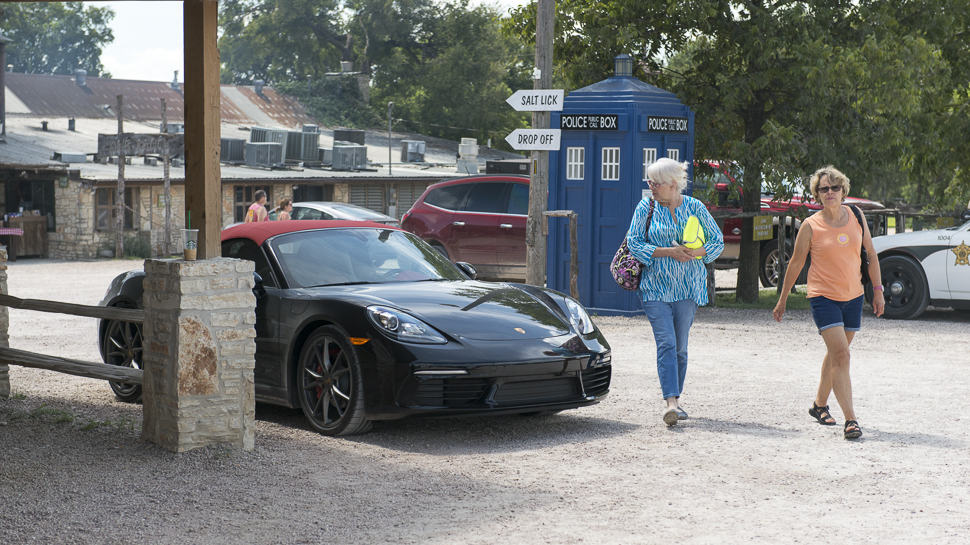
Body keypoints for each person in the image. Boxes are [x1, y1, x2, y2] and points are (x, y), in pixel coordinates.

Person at [772, 165, 884, 440]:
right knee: (842, 355)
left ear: (843, 190)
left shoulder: (857, 216)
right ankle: (851, 421)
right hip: (823, 297)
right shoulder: (811, 225)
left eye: (835, 187)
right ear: (817, 194)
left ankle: (818, 405)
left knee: (837, 353)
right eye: (824, 188)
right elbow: (796, 263)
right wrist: (782, 299)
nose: (830, 192)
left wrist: (878, 291)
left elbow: (870, 253)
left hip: (854, 296)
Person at [626, 158, 724, 427]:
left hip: (688, 289)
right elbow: (634, 243)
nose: (651, 188)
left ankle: (676, 399)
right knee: (667, 343)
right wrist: (669, 252)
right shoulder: (645, 207)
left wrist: (693, 253)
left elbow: (717, 242)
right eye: (649, 183)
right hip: (655, 288)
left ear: (672, 184)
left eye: (655, 183)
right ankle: (672, 403)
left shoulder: (695, 207)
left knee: (680, 347)